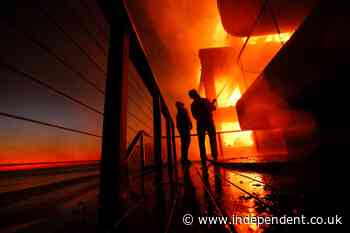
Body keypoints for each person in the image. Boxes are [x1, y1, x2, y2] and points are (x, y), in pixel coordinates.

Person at [188, 89, 218, 164]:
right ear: (197, 93)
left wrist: (200, 117)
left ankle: (203, 158)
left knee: (201, 141)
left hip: (200, 123)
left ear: (191, 97)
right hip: (209, 122)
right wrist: (213, 103)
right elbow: (213, 108)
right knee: (212, 138)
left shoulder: (193, 105)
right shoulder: (205, 100)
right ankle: (215, 156)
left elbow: (194, 116)